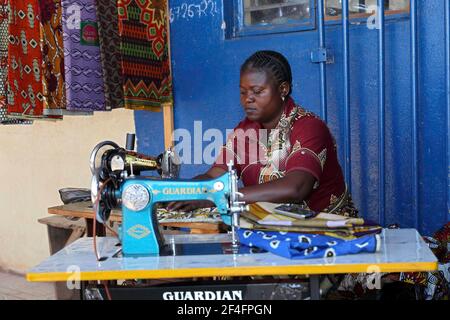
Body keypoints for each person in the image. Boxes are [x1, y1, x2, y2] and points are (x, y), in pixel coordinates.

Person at [168, 50, 357, 217]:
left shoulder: (308, 126)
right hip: (273, 228)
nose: (247, 99)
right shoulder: (244, 131)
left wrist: (218, 197)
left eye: (257, 91)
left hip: (329, 231)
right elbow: (215, 177)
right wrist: (184, 192)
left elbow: (295, 187)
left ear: (283, 89)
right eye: (243, 92)